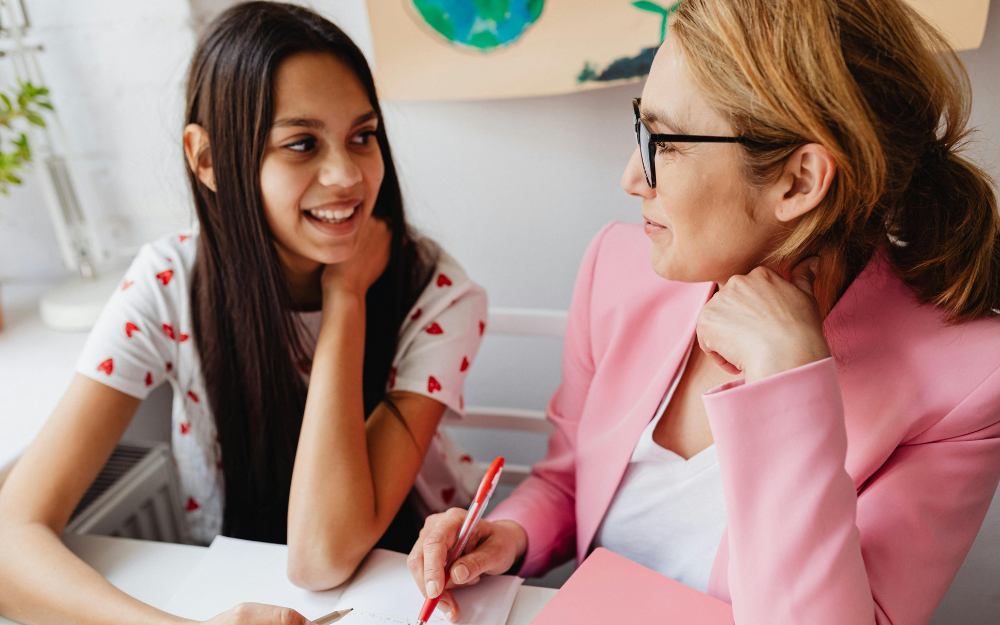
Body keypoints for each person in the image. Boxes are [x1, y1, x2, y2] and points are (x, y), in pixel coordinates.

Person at [407, 1, 1000, 623]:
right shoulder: (619, 267)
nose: (631, 177)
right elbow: (569, 479)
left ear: (799, 181)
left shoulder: (967, 384)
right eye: (641, 129)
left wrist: (792, 380)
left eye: (664, 142)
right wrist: (509, 536)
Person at [0, 3, 487, 624]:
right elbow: (10, 542)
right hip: (236, 587)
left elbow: (322, 556)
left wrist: (346, 298)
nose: (346, 175)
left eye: (362, 136)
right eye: (301, 144)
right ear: (206, 159)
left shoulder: (436, 292)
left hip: (421, 588)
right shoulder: (170, 285)